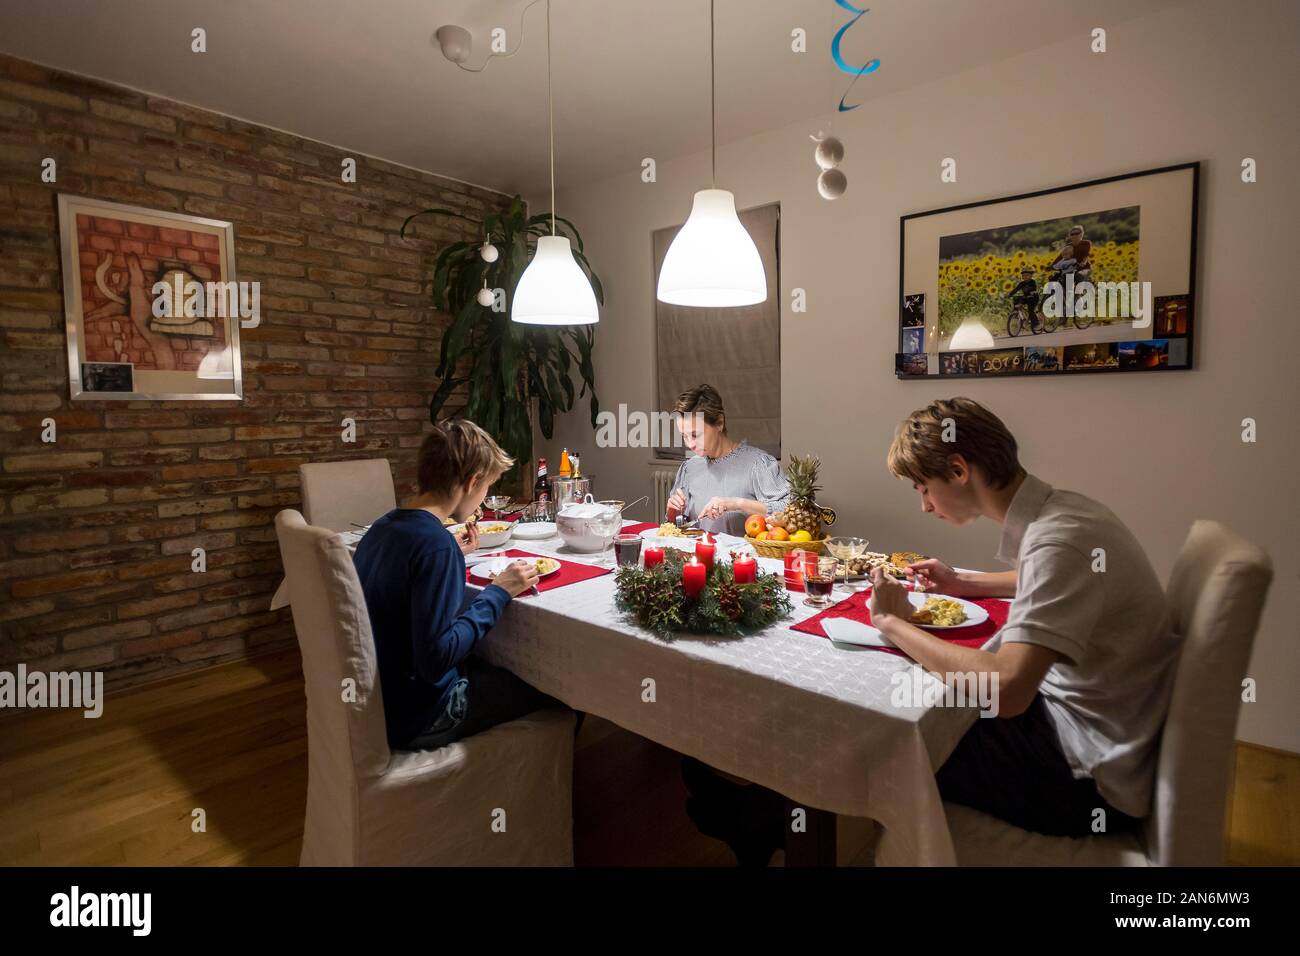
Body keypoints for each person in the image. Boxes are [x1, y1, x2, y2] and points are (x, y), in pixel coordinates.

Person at [874, 397, 1181, 837]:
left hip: (1087, 775)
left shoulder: (1059, 542)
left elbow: (1007, 690)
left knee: (894, 742)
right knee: (930, 705)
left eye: (923, 487)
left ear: (959, 470)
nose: (924, 505)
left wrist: (891, 623)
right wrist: (964, 583)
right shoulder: (1067, 513)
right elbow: (1048, 582)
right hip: (1109, 731)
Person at [353, 420, 559, 751]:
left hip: (383, 701)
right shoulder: (435, 545)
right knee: (558, 686)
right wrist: (499, 592)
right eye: (487, 487)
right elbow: (435, 658)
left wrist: (453, 556)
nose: (484, 497)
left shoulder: (383, 527)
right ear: (473, 481)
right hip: (423, 714)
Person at [665, 384, 790, 537]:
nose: (690, 444)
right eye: (684, 436)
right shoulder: (690, 467)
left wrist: (736, 504)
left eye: (695, 435)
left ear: (719, 423)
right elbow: (679, 525)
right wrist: (673, 511)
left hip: (743, 559)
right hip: (697, 558)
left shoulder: (758, 464)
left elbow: (789, 510)